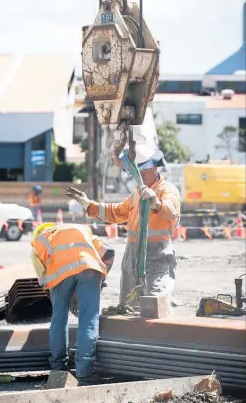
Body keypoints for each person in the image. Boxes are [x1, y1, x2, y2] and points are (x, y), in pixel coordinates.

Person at [66, 147, 180, 312]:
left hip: (156, 256)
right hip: (132, 256)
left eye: (144, 168)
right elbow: (116, 212)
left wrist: (156, 203)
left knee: (156, 302)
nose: (140, 173)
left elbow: (171, 210)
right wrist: (89, 205)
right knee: (129, 305)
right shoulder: (136, 195)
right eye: (137, 170)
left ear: (155, 166)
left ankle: (159, 334)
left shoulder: (166, 189)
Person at [31, 222, 115, 386]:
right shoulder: (82, 228)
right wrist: (100, 281)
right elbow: (109, 252)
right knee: (89, 319)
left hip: (59, 274)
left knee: (59, 318)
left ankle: (58, 369)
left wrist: (65, 298)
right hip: (90, 269)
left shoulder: (38, 242)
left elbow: (44, 281)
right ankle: (84, 372)